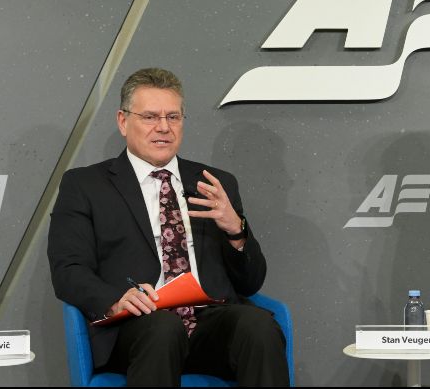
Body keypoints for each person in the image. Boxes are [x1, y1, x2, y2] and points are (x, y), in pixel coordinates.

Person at [48, 68, 289, 386]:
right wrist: (116, 299)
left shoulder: (213, 184)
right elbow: (68, 269)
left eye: (173, 117)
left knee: (258, 326)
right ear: (123, 121)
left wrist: (236, 230)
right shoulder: (85, 185)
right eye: (149, 117)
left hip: (209, 323)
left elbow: (249, 283)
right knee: (163, 327)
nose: (163, 128)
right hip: (139, 327)